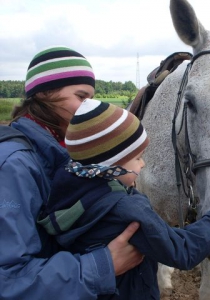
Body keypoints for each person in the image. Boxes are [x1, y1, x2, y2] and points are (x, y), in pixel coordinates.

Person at [37, 98, 210, 299]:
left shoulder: (67, 188)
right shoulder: (128, 210)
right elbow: (182, 251)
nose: (143, 164)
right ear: (112, 166)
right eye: (137, 158)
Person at [0, 46, 144, 299]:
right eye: (81, 96)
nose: (89, 106)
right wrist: (103, 266)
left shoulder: (62, 151)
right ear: (44, 93)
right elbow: (8, 279)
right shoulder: (15, 166)